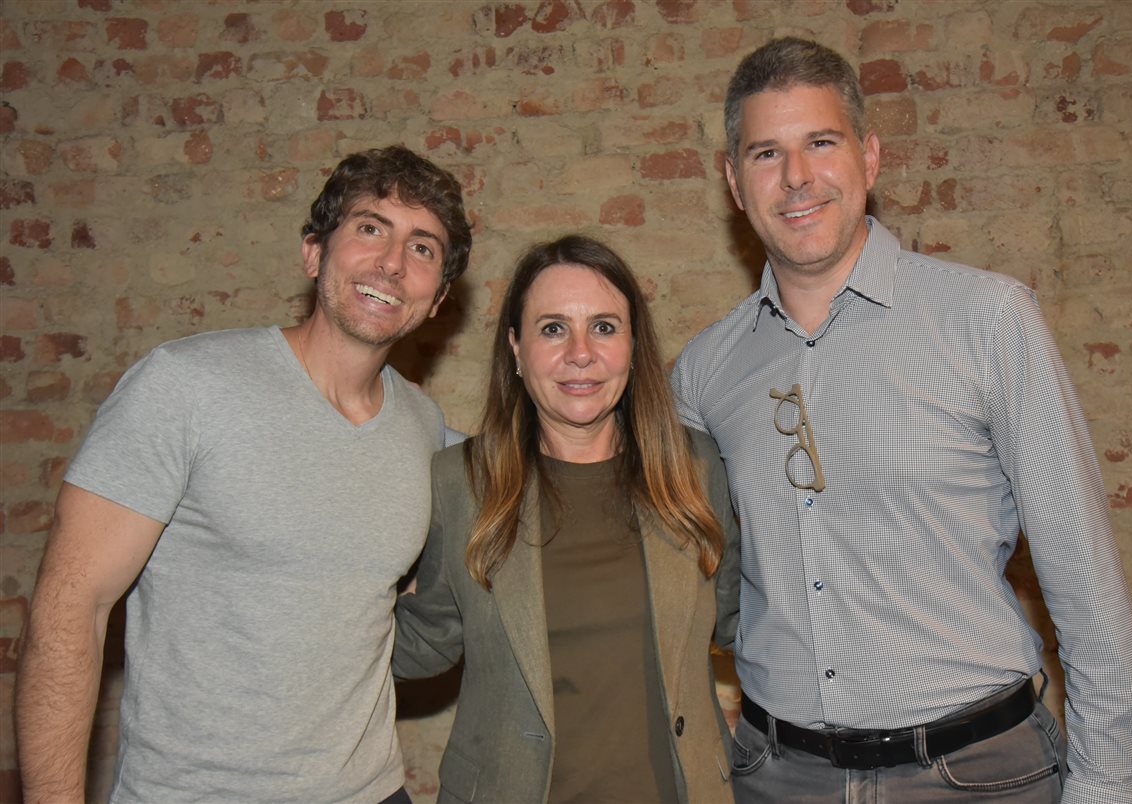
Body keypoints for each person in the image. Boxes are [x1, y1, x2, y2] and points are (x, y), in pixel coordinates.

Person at [672, 37, 1132, 804]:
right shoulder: (703, 372)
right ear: (734, 181)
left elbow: (1086, 585)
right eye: (766, 153)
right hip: (780, 780)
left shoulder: (986, 319)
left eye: (820, 143)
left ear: (869, 156)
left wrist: (1107, 788)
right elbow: (695, 584)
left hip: (981, 773)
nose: (796, 177)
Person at [15, 145, 472, 803]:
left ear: (438, 300)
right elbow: (69, 608)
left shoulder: (422, 426)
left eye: (423, 248)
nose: (392, 264)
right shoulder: (185, 385)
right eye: (371, 228)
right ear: (314, 253)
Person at [391, 234, 740, 803]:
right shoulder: (460, 483)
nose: (581, 352)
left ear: (632, 344)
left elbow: (742, 620)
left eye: (604, 327)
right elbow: (431, 636)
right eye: (553, 328)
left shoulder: (695, 468)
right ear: (516, 349)